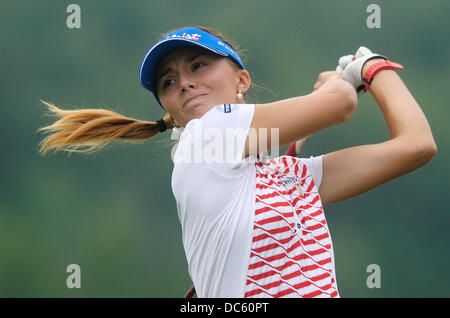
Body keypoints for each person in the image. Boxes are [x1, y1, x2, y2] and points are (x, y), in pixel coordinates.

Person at [37, 26, 437, 298]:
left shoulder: (293, 178)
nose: (185, 82)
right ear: (170, 111)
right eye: (168, 82)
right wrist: (343, 80)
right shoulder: (204, 134)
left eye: (198, 65)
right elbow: (341, 105)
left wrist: (376, 68)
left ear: (241, 81)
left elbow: (416, 146)